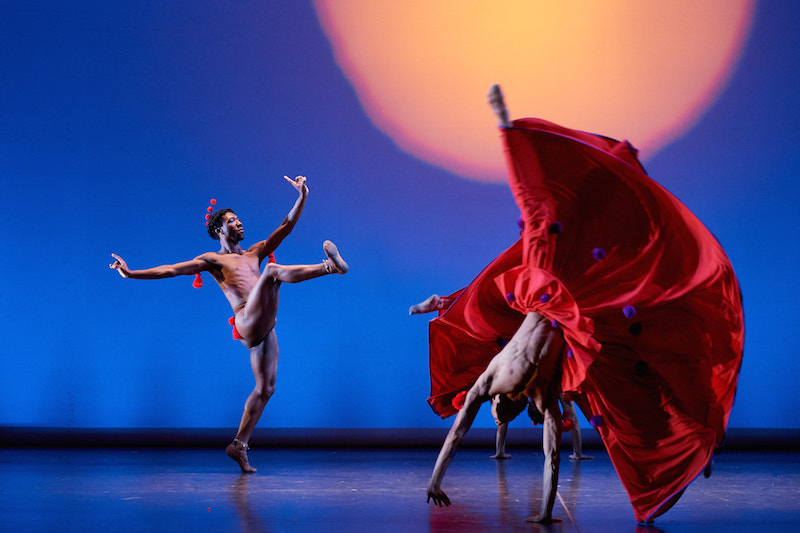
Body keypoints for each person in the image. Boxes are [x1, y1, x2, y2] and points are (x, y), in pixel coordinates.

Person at [421, 85, 744, 524]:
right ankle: (699, 438)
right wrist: (543, 513)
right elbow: (550, 454)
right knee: (643, 367)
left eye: (492, 412)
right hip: (576, 314)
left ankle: (507, 126)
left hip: (545, 294)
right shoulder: (543, 391)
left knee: (541, 218)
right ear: (512, 406)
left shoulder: (494, 377)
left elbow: (458, 433)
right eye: (499, 414)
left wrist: (436, 480)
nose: (491, 413)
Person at [110, 175, 348, 473]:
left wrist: (303, 195)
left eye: (239, 220)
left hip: (264, 327)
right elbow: (171, 269)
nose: (239, 224)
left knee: (265, 389)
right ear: (219, 229)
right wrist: (131, 273)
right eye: (233, 221)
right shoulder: (214, 260)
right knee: (273, 272)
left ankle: (239, 445)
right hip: (247, 318)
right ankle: (329, 267)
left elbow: (286, 226)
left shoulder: (253, 252)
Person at [411, 296, 593, 462]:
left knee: (492, 314)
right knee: (500, 311)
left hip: (513, 338)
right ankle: (444, 304)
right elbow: (571, 421)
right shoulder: (543, 388)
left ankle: (445, 304)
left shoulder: (528, 386)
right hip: (518, 336)